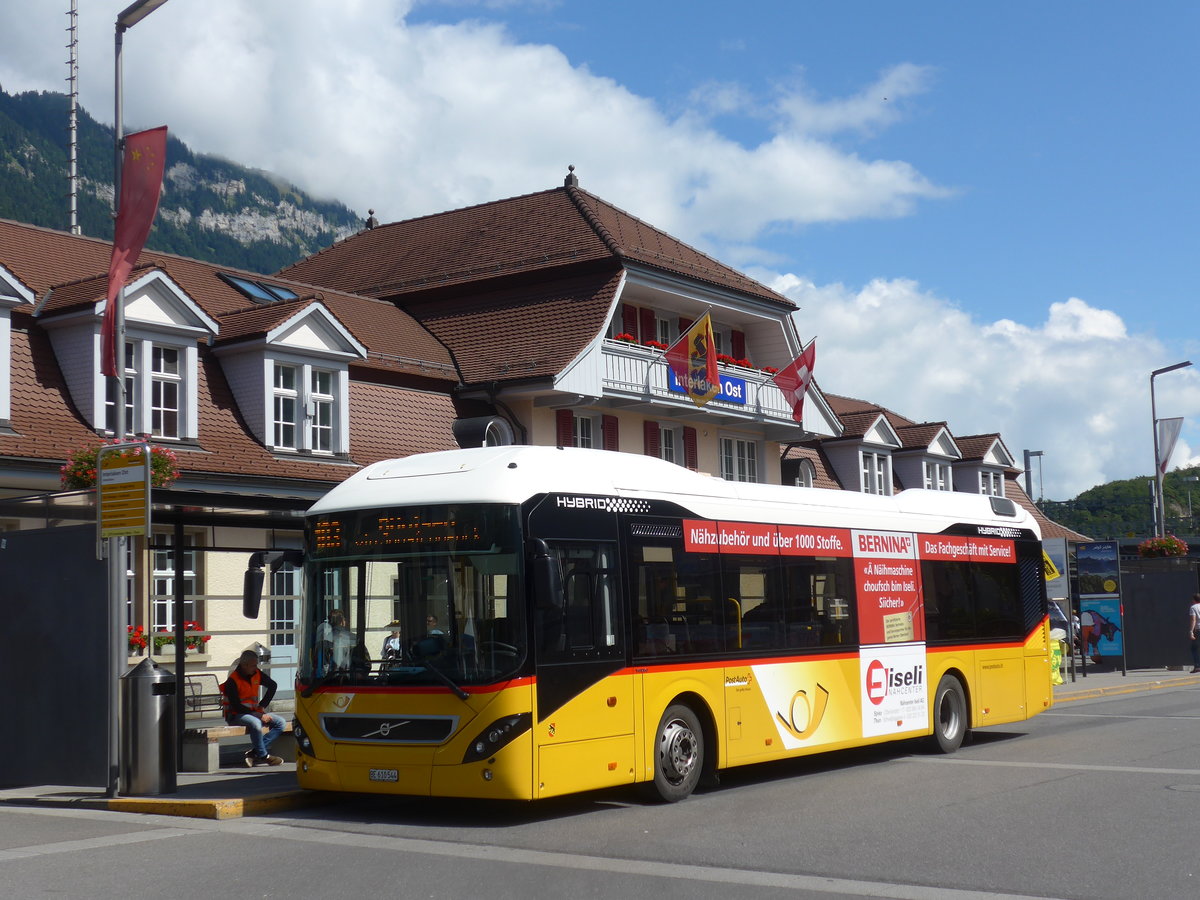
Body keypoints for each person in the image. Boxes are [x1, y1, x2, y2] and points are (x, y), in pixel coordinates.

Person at [222, 649, 285, 767]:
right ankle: (263, 756)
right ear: (244, 665)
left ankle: (255, 753)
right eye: (253, 665)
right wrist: (257, 714)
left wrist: (262, 706)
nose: (256, 668)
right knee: (256, 723)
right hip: (236, 715)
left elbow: (273, 685)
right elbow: (236, 705)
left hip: (254, 712)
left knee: (281, 723)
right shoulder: (233, 680)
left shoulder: (256, 674)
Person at [1189, 593, 1200, 674]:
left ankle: (1197, 666)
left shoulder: (1193, 607)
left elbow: (1193, 620)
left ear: (1194, 600)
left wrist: (1191, 631)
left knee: (1194, 648)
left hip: (1198, 629)